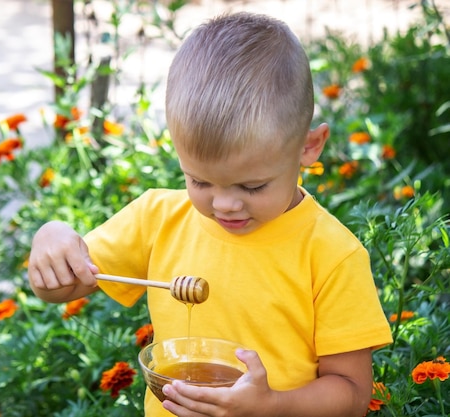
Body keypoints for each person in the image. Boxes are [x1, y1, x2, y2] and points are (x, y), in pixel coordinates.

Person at [28, 11, 392, 417]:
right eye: (199, 181)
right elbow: (59, 288)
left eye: (252, 187)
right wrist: (52, 237)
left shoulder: (331, 255)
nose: (224, 205)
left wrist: (270, 406)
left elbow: (353, 395)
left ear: (309, 147)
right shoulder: (157, 217)